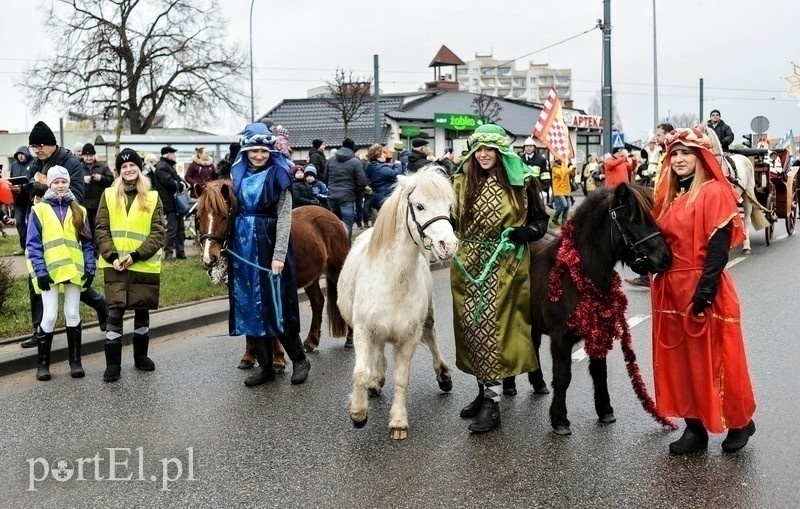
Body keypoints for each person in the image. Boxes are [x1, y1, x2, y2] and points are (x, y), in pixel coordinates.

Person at [650, 128, 756, 454]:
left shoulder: (714, 192)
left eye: (686, 153)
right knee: (681, 363)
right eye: (675, 154)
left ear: (700, 157)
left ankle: (740, 422)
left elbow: (719, 249)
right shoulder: (667, 198)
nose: (679, 159)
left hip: (704, 289)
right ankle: (694, 428)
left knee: (718, 360)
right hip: (670, 291)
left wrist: (705, 291)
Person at [450, 124, 549, 433]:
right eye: (478, 149)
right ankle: (483, 393)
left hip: (506, 263)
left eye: (489, 149)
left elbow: (540, 220)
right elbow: (449, 219)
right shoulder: (460, 181)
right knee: (472, 328)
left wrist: (525, 233)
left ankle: (493, 405)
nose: (483, 155)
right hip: (467, 263)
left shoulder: (523, 181)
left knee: (493, 330)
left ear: (500, 151)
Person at [228, 122, 311, 387]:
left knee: (277, 305)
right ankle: (265, 367)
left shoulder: (279, 175)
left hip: (268, 244)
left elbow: (284, 218)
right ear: (246, 152)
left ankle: (299, 360)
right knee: (251, 306)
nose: (259, 156)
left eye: (263, 151)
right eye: (254, 151)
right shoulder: (238, 176)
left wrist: (279, 254)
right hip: (243, 248)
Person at [20, 121, 108, 348]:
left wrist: (42, 190)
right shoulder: (36, 163)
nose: (36, 151)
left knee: (71, 279)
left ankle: (100, 304)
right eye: (33, 147)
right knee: (37, 279)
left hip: (66, 229)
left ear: (51, 144)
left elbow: (77, 194)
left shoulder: (71, 163)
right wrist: (23, 191)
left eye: (39, 146)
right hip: (41, 226)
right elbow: (32, 195)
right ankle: (38, 329)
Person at [95, 148, 166, 383]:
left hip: (142, 264)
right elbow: (101, 228)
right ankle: (113, 364)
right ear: (118, 171)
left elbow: (158, 232)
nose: (128, 169)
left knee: (141, 310)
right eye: (124, 166)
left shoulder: (152, 197)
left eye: (132, 165)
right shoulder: (108, 195)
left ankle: (141, 356)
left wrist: (136, 256)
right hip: (115, 264)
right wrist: (111, 256)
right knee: (115, 312)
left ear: (139, 168)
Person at [25, 166, 95, 380]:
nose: (60, 185)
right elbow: (33, 244)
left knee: (72, 313)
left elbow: (87, 243)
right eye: (56, 182)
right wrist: (40, 271)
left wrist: (90, 267)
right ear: (49, 184)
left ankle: (75, 362)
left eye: (64, 182)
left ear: (69, 184)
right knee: (50, 315)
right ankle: (42, 364)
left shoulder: (79, 210)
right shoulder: (39, 210)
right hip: (50, 270)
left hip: (74, 269)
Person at [626, 122, 674, 289]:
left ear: (668, 134)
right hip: (660, 200)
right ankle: (645, 275)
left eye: (659, 135)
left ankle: (650, 274)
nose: (656, 137)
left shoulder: (673, 153)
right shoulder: (661, 153)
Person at [326, 138, 366, 240]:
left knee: (335, 223)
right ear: (352, 148)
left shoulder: (331, 160)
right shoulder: (355, 162)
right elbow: (362, 182)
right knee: (347, 224)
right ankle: (346, 246)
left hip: (332, 196)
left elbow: (325, 178)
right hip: (347, 197)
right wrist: (356, 190)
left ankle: (336, 246)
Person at [152, 146, 187, 261]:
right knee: (172, 229)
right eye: (173, 153)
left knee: (180, 228)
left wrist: (182, 182)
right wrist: (181, 185)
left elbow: (177, 178)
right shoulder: (162, 166)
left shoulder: (167, 165)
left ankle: (180, 252)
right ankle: (168, 253)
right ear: (168, 154)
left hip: (175, 203)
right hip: (169, 203)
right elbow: (169, 182)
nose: (174, 155)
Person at [80, 143, 114, 241]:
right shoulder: (78, 167)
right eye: (86, 156)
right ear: (83, 156)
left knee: (99, 225)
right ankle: (88, 245)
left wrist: (101, 178)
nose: (89, 158)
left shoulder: (103, 167)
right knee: (86, 226)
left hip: (99, 202)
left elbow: (111, 180)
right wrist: (82, 180)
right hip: (84, 203)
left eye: (91, 155)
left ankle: (98, 245)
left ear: (94, 155)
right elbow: (71, 181)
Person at [9, 146, 35, 255]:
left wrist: (23, 187)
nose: (20, 156)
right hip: (18, 199)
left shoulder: (33, 164)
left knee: (30, 222)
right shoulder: (14, 165)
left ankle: (32, 247)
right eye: (18, 154)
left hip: (29, 198)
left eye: (22, 154)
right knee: (19, 222)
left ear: (27, 154)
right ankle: (23, 247)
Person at [364, 143, 404, 212]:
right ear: (378, 155)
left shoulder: (371, 165)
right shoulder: (381, 168)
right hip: (385, 198)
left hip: (377, 196)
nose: (385, 155)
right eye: (383, 153)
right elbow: (396, 175)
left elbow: (387, 170)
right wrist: (398, 165)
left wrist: (393, 165)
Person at [550, 156, 574, 226]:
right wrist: (570, 169)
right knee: (564, 204)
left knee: (568, 206)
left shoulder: (564, 166)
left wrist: (573, 170)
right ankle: (555, 217)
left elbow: (570, 175)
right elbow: (561, 173)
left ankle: (564, 222)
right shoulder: (554, 168)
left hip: (566, 189)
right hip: (558, 189)